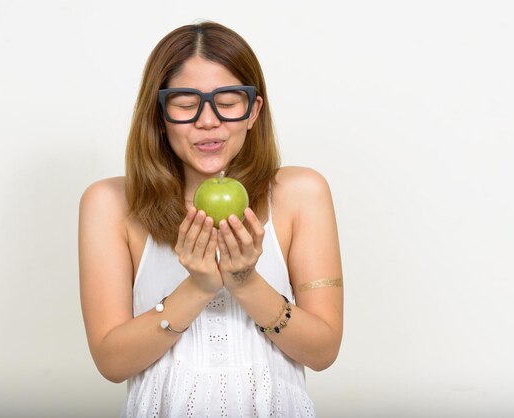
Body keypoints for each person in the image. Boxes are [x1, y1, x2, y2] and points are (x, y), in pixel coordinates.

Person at [79, 21, 343, 418]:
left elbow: (323, 351)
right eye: (186, 103)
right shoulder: (110, 204)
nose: (208, 121)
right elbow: (111, 363)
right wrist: (198, 287)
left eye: (228, 101)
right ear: (160, 113)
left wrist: (245, 281)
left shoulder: (302, 193)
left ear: (253, 110)